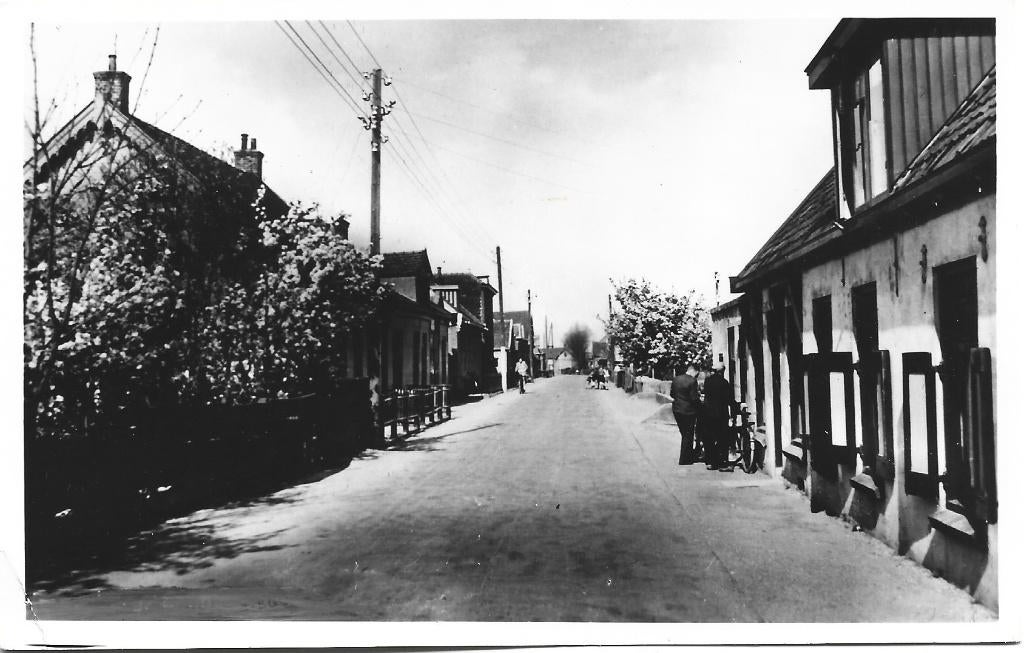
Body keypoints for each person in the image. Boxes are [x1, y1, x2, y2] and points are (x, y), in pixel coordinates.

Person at [702, 362, 737, 471]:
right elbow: (730, 400)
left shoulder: (707, 381)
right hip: (721, 415)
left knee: (710, 438)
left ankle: (711, 462)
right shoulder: (725, 383)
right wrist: (735, 409)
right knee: (722, 438)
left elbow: (706, 396)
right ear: (722, 371)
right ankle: (722, 462)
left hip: (708, 414)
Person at [670, 363, 702, 465]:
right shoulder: (692, 381)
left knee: (684, 433)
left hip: (677, 409)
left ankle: (687, 455)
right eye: (697, 374)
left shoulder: (676, 379)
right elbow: (694, 398)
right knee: (688, 434)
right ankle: (684, 459)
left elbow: (672, 394)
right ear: (694, 371)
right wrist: (700, 405)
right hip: (688, 411)